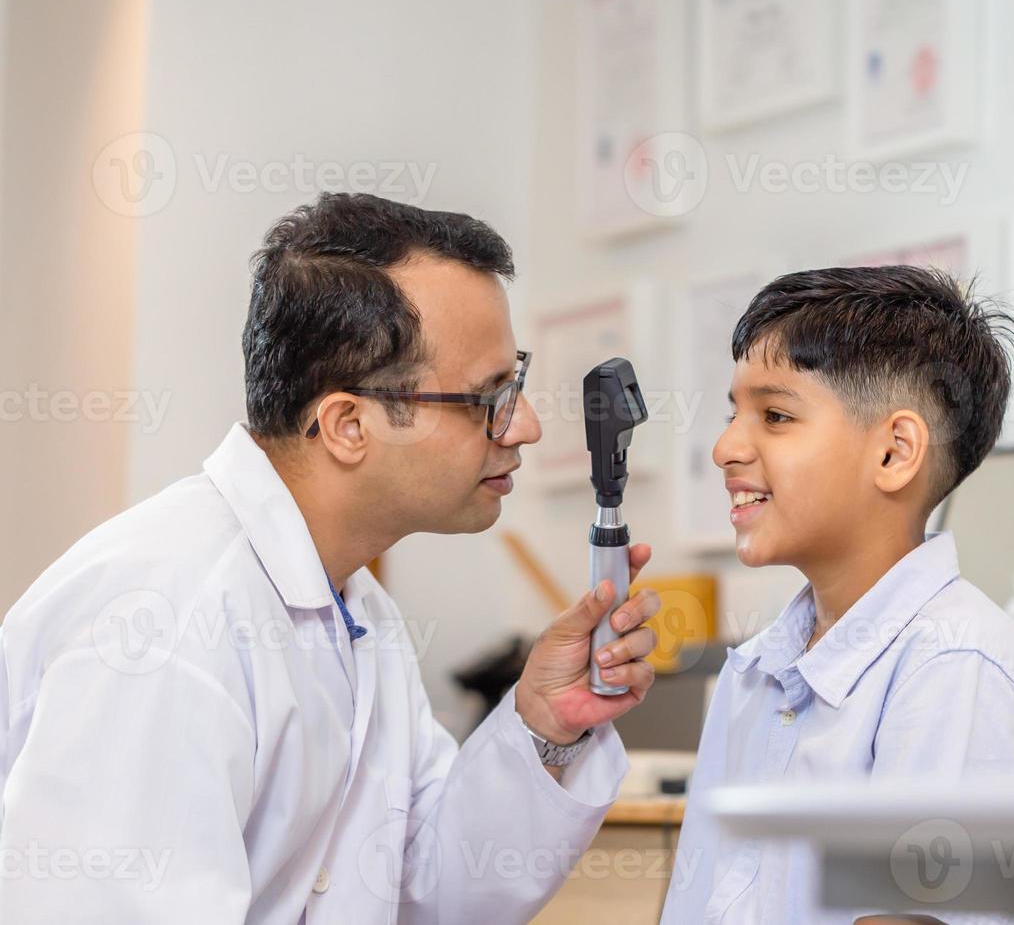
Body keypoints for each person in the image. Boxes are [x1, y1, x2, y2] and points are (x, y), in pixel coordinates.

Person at [0, 193, 661, 924]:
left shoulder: (355, 608)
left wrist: (544, 723)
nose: (526, 427)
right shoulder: (163, 624)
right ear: (348, 423)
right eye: (488, 397)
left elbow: (425, 889)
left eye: (519, 384)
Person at [661, 266, 1014, 925]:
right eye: (734, 414)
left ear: (894, 454)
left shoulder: (954, 670)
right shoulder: (753, 674)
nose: (725, 448)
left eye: (775, 416)